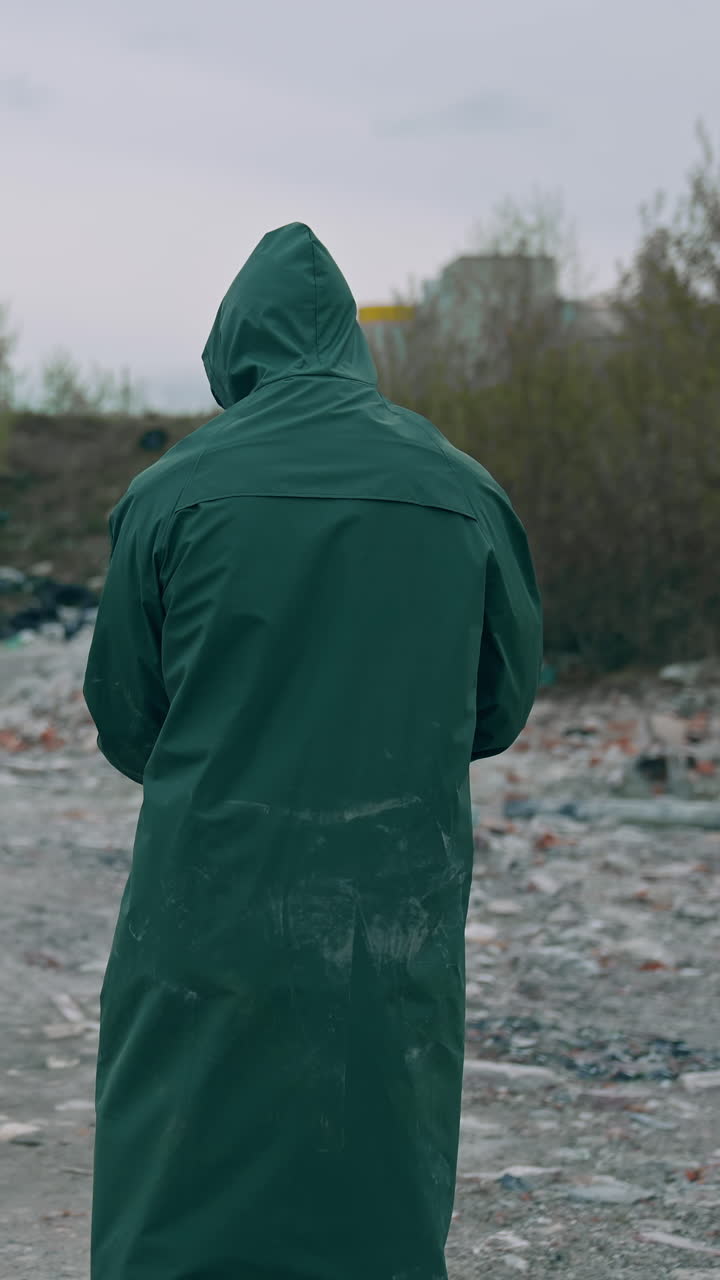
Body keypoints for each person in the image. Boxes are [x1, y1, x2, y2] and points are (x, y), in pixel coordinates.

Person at [83, 222, 543, 1280]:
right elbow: (500, 703)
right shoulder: (461, 488)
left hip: (208, 891)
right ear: (350, 343)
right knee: (375, 1144)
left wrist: (234, 756)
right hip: (394, 899)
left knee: (181, 1149)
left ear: (234, 349)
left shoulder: (169, 494)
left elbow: (127, 715)